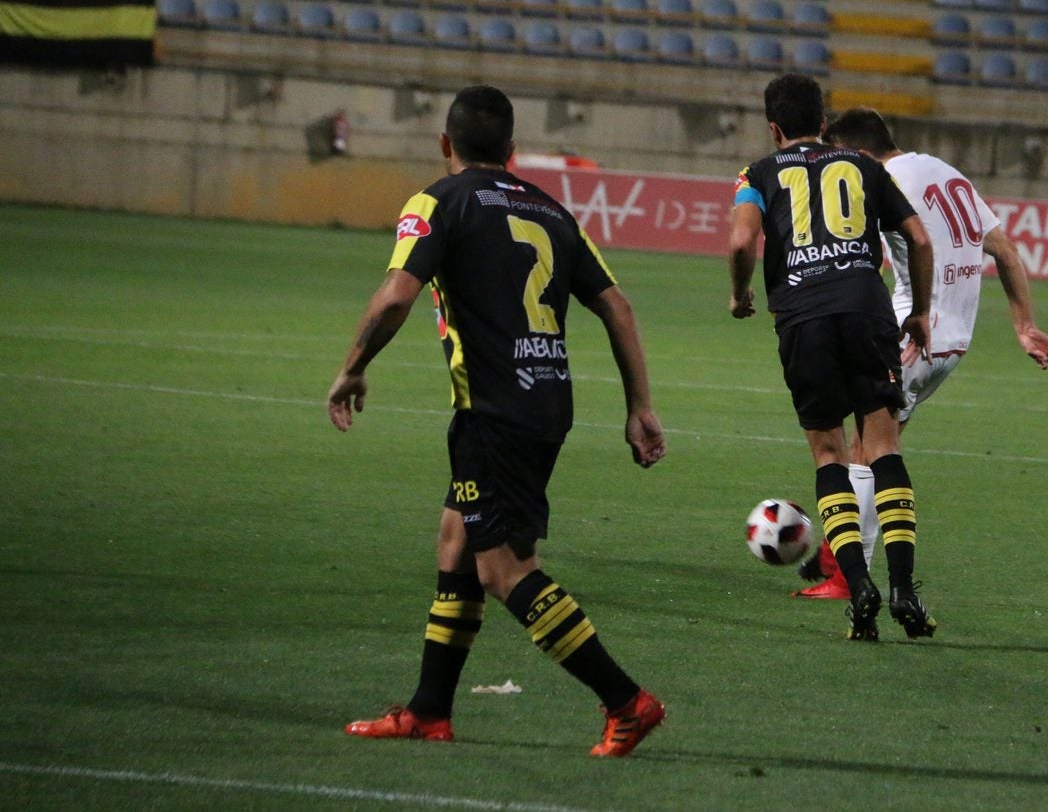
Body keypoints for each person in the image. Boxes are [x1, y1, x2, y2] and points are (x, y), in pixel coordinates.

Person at [326, 84, 668, 757]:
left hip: (494, 409)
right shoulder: (551, 209)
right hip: (546, 400)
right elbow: (619, 308)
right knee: (456, 539)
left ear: (445, 144)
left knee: (505, 570)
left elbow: (397, 295)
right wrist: (639, 406)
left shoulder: (438, 200)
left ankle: (627, 701)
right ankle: (429, 710)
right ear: (512, 151)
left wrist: (354, 364)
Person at [793, 106, 1048, 601]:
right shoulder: (946, 172)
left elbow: (863, 258)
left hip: (911, 328)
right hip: (954, 340)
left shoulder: (879, 178)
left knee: (864, 446)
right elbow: (1004, 250)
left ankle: (843, 571)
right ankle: (843, 558)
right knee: (881, 446)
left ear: (854, 150)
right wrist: (1024, 325)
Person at [727, 74, 937, 641]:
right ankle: (903, 591)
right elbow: (918, 239)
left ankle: (858, 588)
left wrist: (741, 293)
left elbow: (742, 242)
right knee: (884, 445)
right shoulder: (866, 166)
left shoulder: (757, 174)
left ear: (774, 128)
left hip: (802, 317)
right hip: (867, 310)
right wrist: (918, 310)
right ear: (823, 123)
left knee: (829, 455)